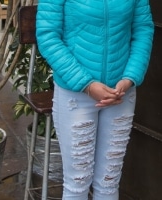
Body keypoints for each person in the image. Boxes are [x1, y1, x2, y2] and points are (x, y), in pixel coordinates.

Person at [36, 0, 154, 200]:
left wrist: (130, 77)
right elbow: (48, 36)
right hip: (76, 93)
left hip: (121, 93)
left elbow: (143, 29)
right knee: (77, 183)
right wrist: (87, 84)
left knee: (109, 181)